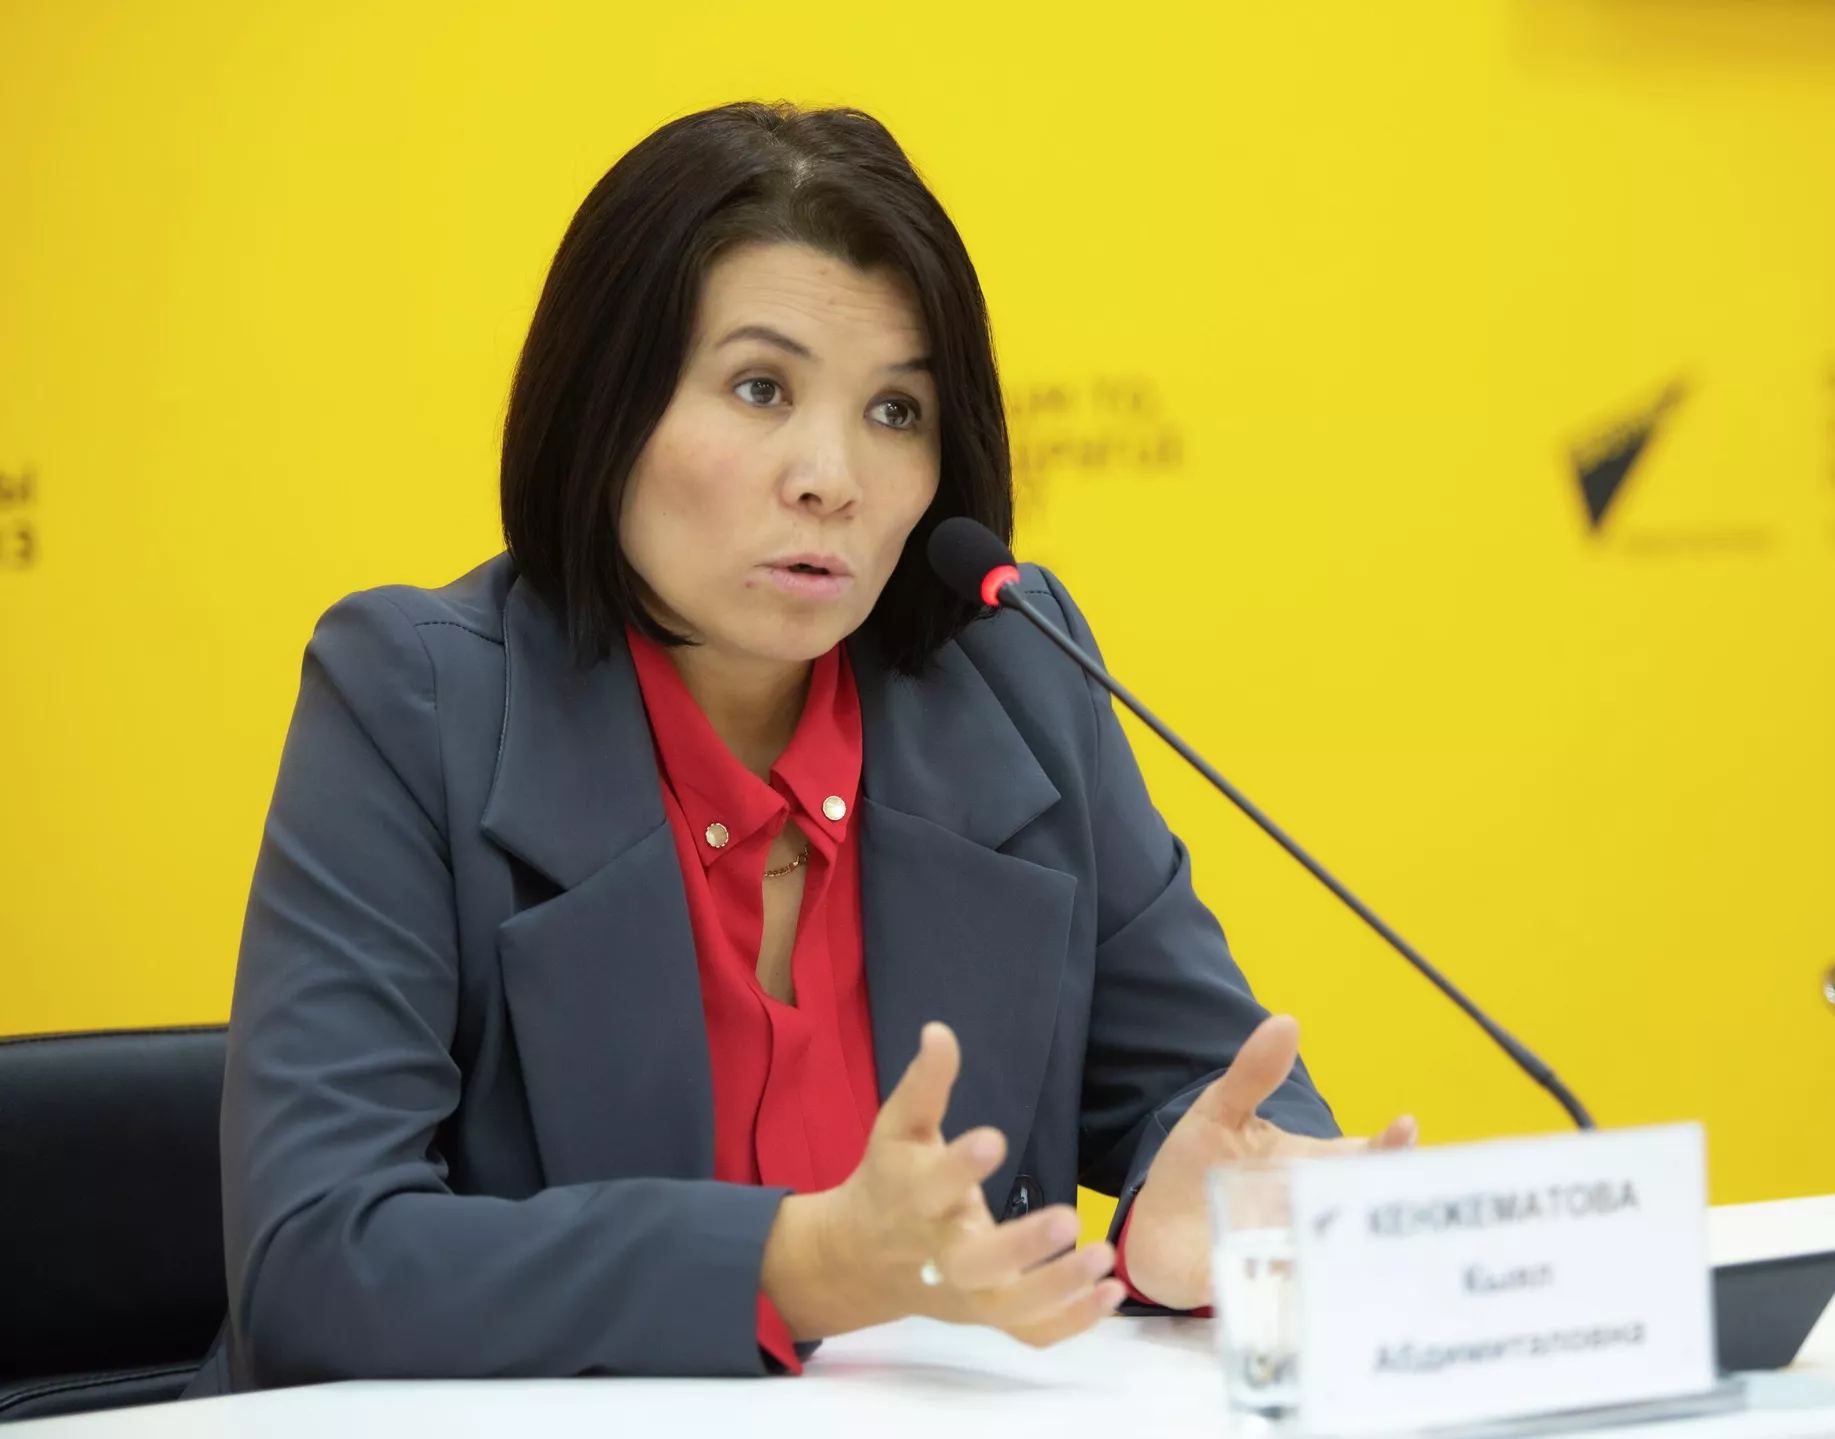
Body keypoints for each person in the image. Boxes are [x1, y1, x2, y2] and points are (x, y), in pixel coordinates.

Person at [185, 101, 1416, 1396]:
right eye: (760, 388)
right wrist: (793, 1266)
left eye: (895, 409)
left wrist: (1206, 1220)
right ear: (607, 408)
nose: (833, 476)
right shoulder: (417, 700)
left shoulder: (1010, 673)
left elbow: (1217, 1101)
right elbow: (317, 1264)